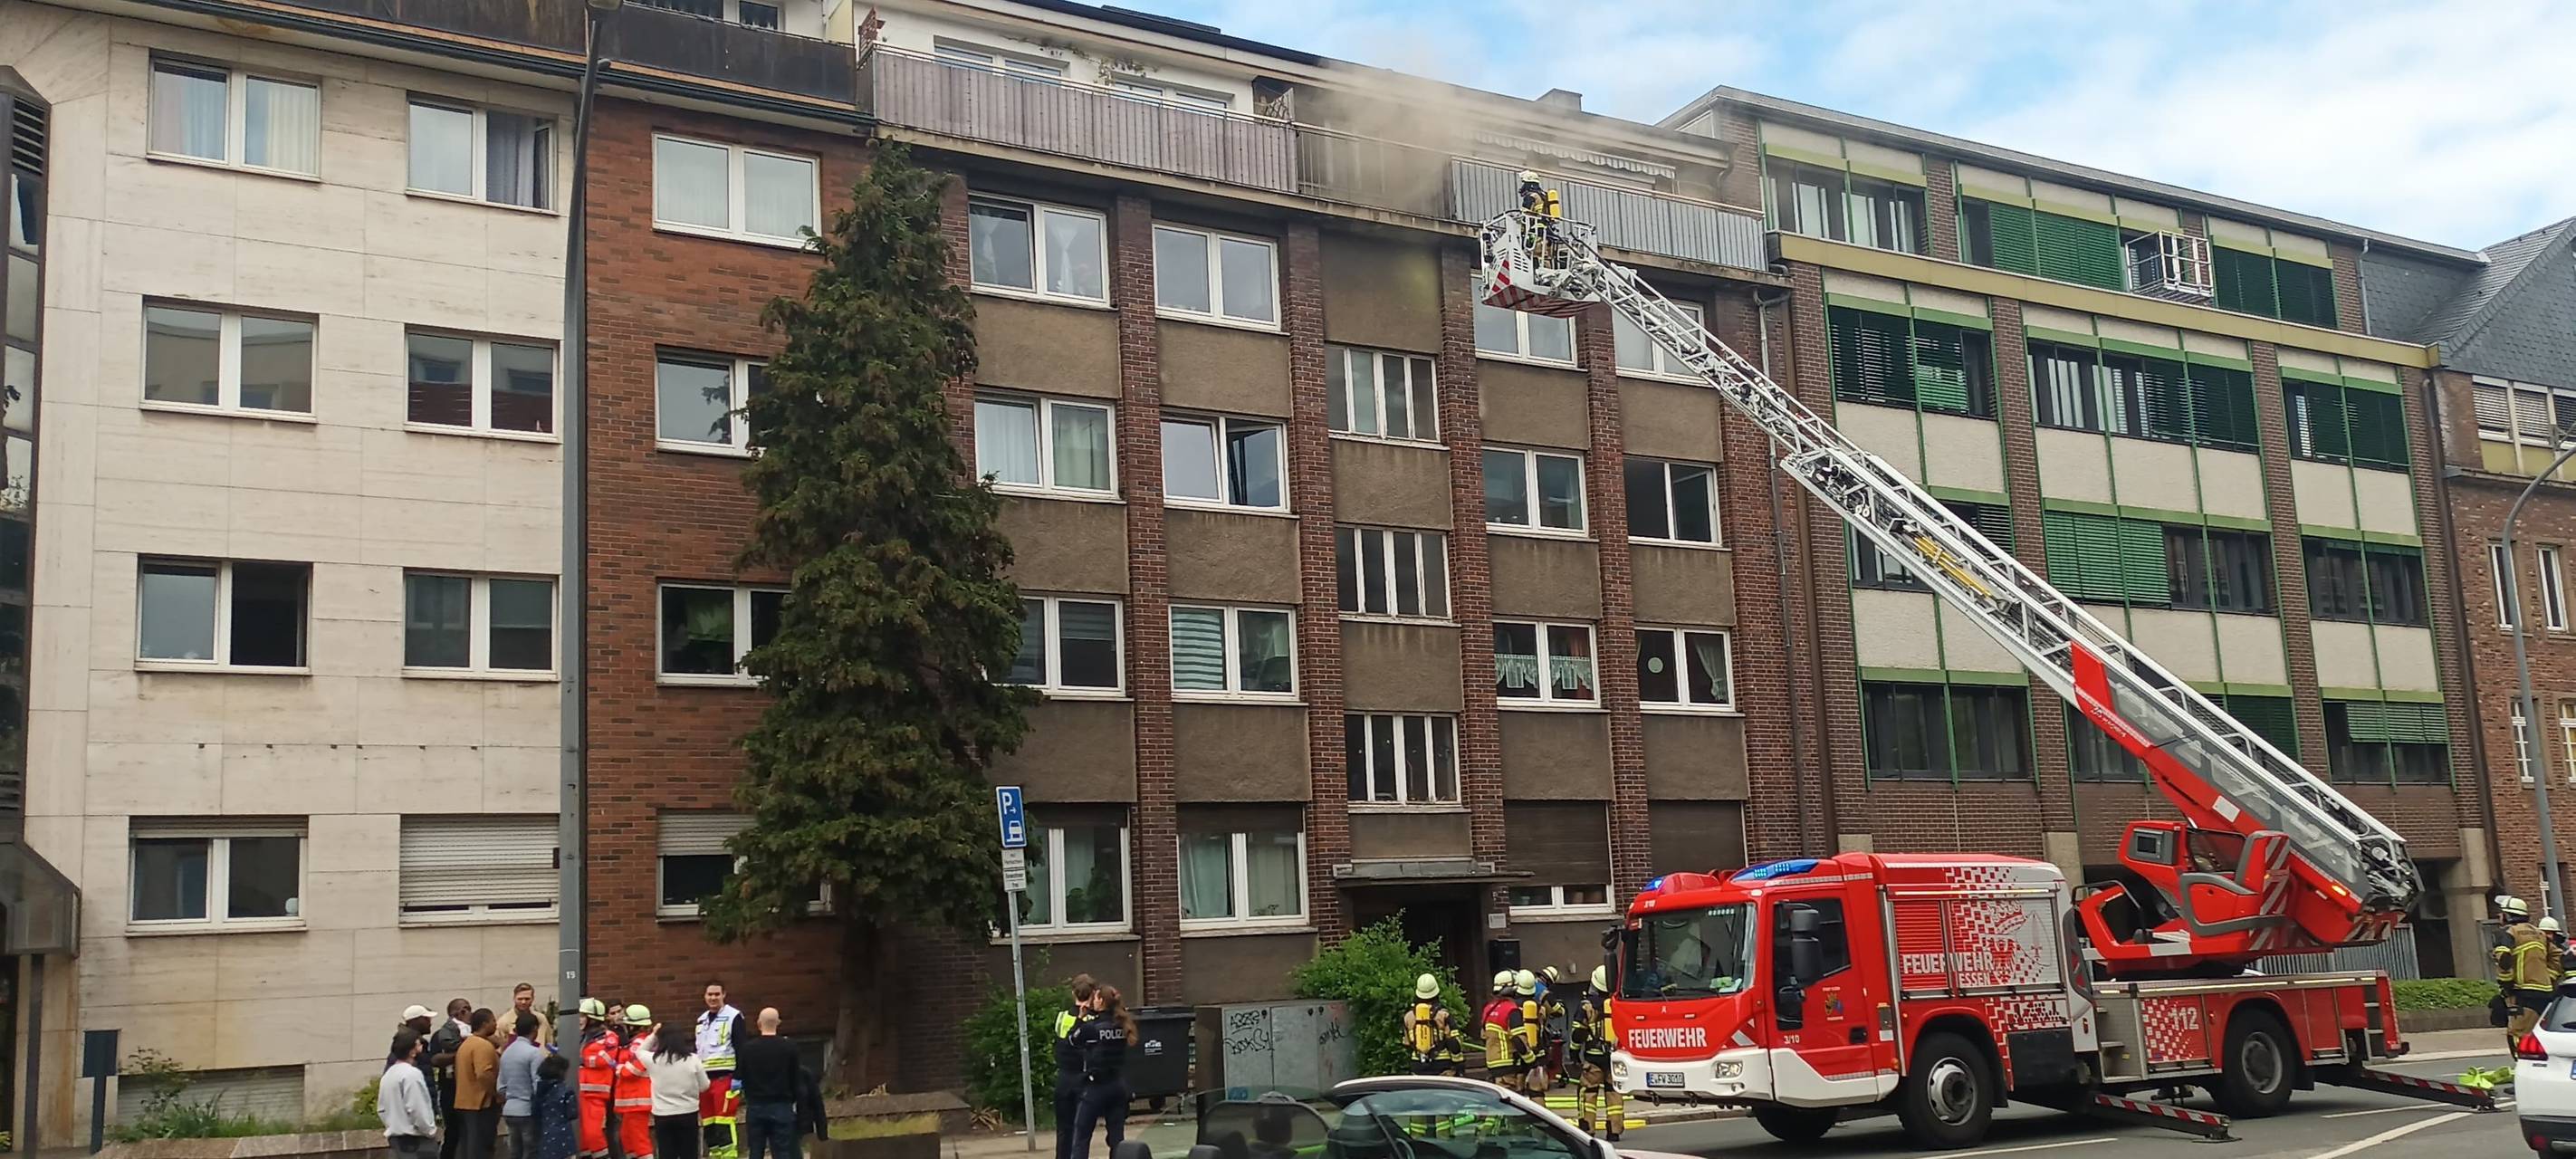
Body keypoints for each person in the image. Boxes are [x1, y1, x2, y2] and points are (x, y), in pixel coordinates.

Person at [1067, 986, 1134, 1159]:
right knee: (1117, 1137)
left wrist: (1080, 1018)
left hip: (1096, 1087)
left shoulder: (1092, 1028)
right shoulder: (1122, 1025)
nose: (1093, 1001)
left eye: (1096, 998)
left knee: (1082, 1134)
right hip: (1118, 1086)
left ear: (1102, 1002)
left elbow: (1073, 1040)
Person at [733, 1009, 801, 1159]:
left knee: (756, 1150)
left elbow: (740, 1075)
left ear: (758, 1024)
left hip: (756, 1105)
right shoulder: (789, 1047)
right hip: (782, 1104)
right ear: (778, 1023)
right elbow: (796, 1078)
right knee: (783, 1150)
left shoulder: (747, 1049)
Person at [1569, 967, 1623, 1142]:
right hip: (1614, 1057)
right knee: (1613, 1092)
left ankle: (1587, 1130)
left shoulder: (1586, 1006)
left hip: (1593, 1058)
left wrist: (1574, 1053)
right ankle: (1614, 1131)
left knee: (1588, 1093)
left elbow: (1578, 1033)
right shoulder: (1617, 1003)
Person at [695, 983, 748, 1159]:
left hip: (725, 1078)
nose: (713, 998)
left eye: (717, 994)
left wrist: (739, 1076)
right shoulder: (701, 1020)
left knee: (724, 1120)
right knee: (708, 1121)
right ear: (705, 996)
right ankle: (714, 1154)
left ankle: (729, 1156)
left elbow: (741, 1047)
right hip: (704, 1080)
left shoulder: (733, 1016)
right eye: (710, 994)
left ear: (724, 994)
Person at [1049, 975, 1098, 1159]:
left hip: (1064, 1078)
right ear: (1093, 994)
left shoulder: (1062, 1017)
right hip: (1084, 1078)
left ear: (1073, 993)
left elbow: (1060, 1041)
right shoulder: (1094, 1019)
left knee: (1064, 1128)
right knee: (1082, 1130)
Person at [647, 1019, 711, 1159]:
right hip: (688, 1112)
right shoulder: (693, 1059)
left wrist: (653, 1034)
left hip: (662, 1114)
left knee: (666, 1152)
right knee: (689, 1152)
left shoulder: (652, 1060)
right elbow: (705, 1085)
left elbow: (639, 1050)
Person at [382, 1030, 441, 1159]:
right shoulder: (412, 1074)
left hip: (396, 1141)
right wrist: (430, 1131)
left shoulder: (389, 1074)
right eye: (419, 1045)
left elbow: (382, 1109)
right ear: (412, 1051)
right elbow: (417, 1108)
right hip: (416, 1143)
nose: (422, 1049)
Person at [577, 999, 623, 1159]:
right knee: (582, 1134)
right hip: (580, 1091)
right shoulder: (581, 1036)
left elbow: (605, 1060)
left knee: (593, 1132)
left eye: (583, 1016)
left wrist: (582, 1059)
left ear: (592, 1018)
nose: (580, 1020)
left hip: (597, 1092)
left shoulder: (609, 1037)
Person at [455, 1009, 504, 1159]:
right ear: (485, 1024)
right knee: (481, 1147)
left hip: (465, 1102)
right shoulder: (482, 1046)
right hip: (481, 1104)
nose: (495, 1025)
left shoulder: (466, 1044)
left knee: (468, 1145)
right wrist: (496, 1094)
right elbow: (484, 1074)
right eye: (493, 1021)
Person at [614, 1006, 659, 1159]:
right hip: (632, 1099)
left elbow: (636, 1068)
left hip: (637, 1098)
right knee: (627, 1137)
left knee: (638, 1139)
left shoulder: (640, 1043)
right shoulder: (640, 1041)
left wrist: (621, 1070)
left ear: (633, 1025)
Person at [503, 1012, 548, 1159]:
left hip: (510, 1110)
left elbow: (501, 1086)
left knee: (514, 1152)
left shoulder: (507, 1052)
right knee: (531, 1152)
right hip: (527, 1110)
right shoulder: (534, 1053)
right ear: (534, 1029)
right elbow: (538, 1085)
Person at [2508, 905, 2555, 1042]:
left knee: (2519, 1031)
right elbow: (2557, 956)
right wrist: (2549, 976)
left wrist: (2507, 983)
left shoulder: (2511, 933)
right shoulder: (2539, 934)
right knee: (2541, 1030)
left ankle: (2522, 1060)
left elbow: (2503, 958)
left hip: (2524, 991)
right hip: (2545, 990)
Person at [435, 999, 474, 1159]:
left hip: (470, 1088)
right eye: (468, 1010)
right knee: (453, 1133)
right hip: (451, 1088)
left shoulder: (473, 1033)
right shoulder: (441, 1036)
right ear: (461, 1011)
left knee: (470, 1133)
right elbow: (435, 1059)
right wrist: (463, 1053)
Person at [1479, 972, 1522, 1092]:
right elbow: (1518, 1039)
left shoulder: (1488, 1009)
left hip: (1492, 1063)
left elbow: (1483, 1036)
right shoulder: (1512, 1010)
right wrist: (1531, 1060)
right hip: (1508, 1064)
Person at [535, 1053, 581, 1159]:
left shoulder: (539, 1090)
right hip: (564, 1136)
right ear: (561, 1072)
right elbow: (573, 1113)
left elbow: (535, 1111)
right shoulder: (566, 1091)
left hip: (544, 1135)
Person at [1511, 970, 1544, 1091]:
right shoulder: (1538, 1006)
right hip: (1536, 1051)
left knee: (1518, 1092)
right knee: (1536, 1091)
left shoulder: (1512, 1006)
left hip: (1519, 1051)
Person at [509, 985, 551, 1051]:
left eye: (527, 999)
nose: (523, 1002)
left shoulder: (541, 1019)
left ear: (533, 999)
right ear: (514, 998)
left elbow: (550, 1042)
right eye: (520, 999)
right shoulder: (504, 1022)